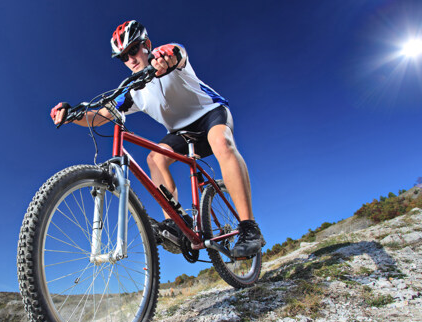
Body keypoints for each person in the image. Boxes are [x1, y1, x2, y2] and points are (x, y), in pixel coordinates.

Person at [50, 20, 264, 258]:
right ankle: (174, 223)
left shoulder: (165, 61)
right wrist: (70, 115)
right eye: (123, 57)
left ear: (147, 45)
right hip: (180, 132)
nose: (130, 59)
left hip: (210, 114)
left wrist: (169, 55)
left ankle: (249, 228)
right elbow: (100, 116)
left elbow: (178, 52)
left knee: (221, 142)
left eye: (133, 49)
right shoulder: (132, 91)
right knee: (154, 159)